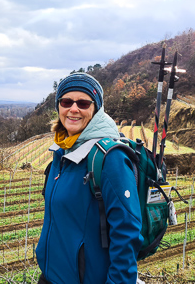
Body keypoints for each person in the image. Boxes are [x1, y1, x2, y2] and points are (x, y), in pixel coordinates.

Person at [36, 72, 143, 284]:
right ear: (58, 106)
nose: (73, 109)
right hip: (50, 277)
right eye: (66, 101)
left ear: (96, 109)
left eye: (83, 103)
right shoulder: (62, 152)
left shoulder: (109, 159)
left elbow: (127, 234)